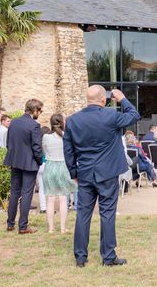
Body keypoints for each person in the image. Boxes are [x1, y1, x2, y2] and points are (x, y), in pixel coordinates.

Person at [64, 86, 141, 267]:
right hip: (107, 173)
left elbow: (68, 150)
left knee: (83, 214)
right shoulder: (110, 115)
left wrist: (73, 172)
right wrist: (122, 98)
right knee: (107, 214)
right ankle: (108, 256)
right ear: (103, 100)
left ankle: (81, 257)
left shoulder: (73, 120)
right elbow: (135, 115)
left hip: (85, 173)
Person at [4, 99, 44, 234]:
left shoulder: (13, 122)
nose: (40, 113)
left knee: (14, 192)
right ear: (34, 110)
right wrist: (39, 162)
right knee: (27, 194)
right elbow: (37, 148)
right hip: (29, 163)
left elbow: (8, 143)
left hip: (15, 161)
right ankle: (23, 226)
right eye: (40, 111)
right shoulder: (34, 126)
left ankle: (10, 223)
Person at [42, 114, 75, 234]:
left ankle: (51, 228)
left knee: (50, 199)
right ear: (62, 123)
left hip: (50, 166)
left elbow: (44, 152)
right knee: (62, 199)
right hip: (63, 167)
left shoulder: (45, 137)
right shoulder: (66, 136)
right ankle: (62, 228)